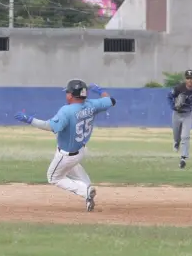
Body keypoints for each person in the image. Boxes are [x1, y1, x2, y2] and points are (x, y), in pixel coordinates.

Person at [14, 79, 116, 212]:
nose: (66, 95)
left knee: (53, 177)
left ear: (71, 95)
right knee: (74, 168)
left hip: (67, 154)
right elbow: (110, 100)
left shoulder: (67, 111)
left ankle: (86, 191)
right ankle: (87, 190)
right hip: (80, 150)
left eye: (67, 92)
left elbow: (50, 126)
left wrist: (29, 120)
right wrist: (101, 91)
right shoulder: (93, 105)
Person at [167, 69, 192, 169]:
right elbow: (169, 96)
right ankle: (176, 143)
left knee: (185, 136)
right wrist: (173, 106)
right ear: (185, 79)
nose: (189, 80)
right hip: (177, 114)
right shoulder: (179, 88)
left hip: (188, 114)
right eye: (188, 78)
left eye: (191, 78)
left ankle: (183, 158)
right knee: (176, 135)